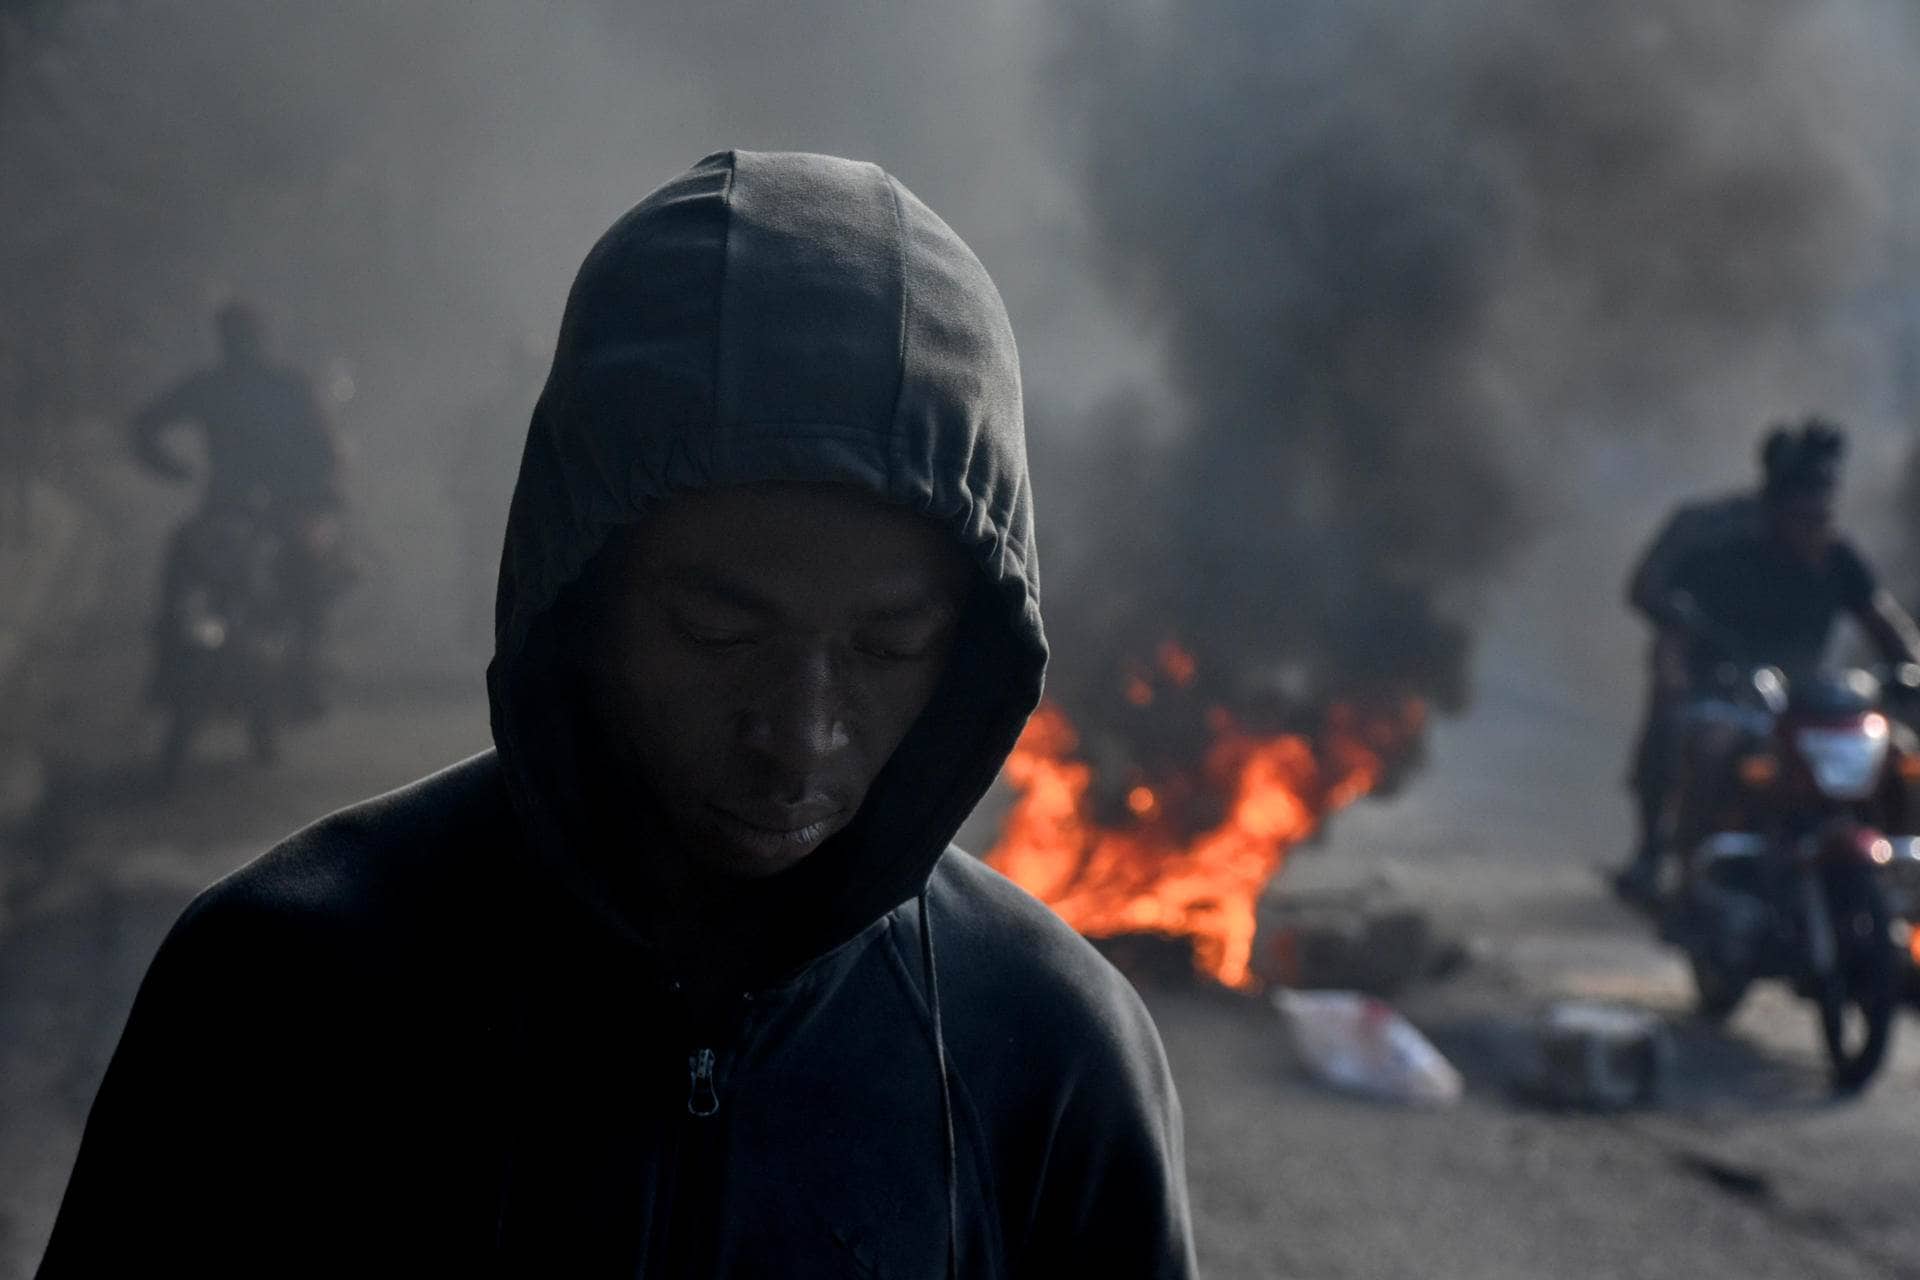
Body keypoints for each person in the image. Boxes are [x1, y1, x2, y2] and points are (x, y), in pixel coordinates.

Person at [40, 151, 1198, 1277]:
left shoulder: (1049, 1055)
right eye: (719, 631)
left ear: (971, 645)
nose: (799, 733)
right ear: (579, 588)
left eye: (888, 646)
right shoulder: (278, 987)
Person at [1615, 420, 1920, 900]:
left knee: (1896, 756)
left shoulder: (1836, 556)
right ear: (1774, 507)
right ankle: (1683, 871)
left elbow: (1884, 623)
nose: (1814, 523)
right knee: (1711, 747)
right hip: (1726, 692)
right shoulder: (1721, 548)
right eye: (1802, 510)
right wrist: (1681, 654)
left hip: (1808, 701)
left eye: (1821, 509)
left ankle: (1896, 879)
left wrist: (1909, 671)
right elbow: (1654, 599)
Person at [131, 302, 344, 714]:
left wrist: (171, 468)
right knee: (184, 566)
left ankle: (305, 667)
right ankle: (172, 664)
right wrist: (171, 468)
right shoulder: (276, 386)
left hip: (265, 509)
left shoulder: (230, 386)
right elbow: (326, 451)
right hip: (246, 510)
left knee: (305, 575)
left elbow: (324, 451)